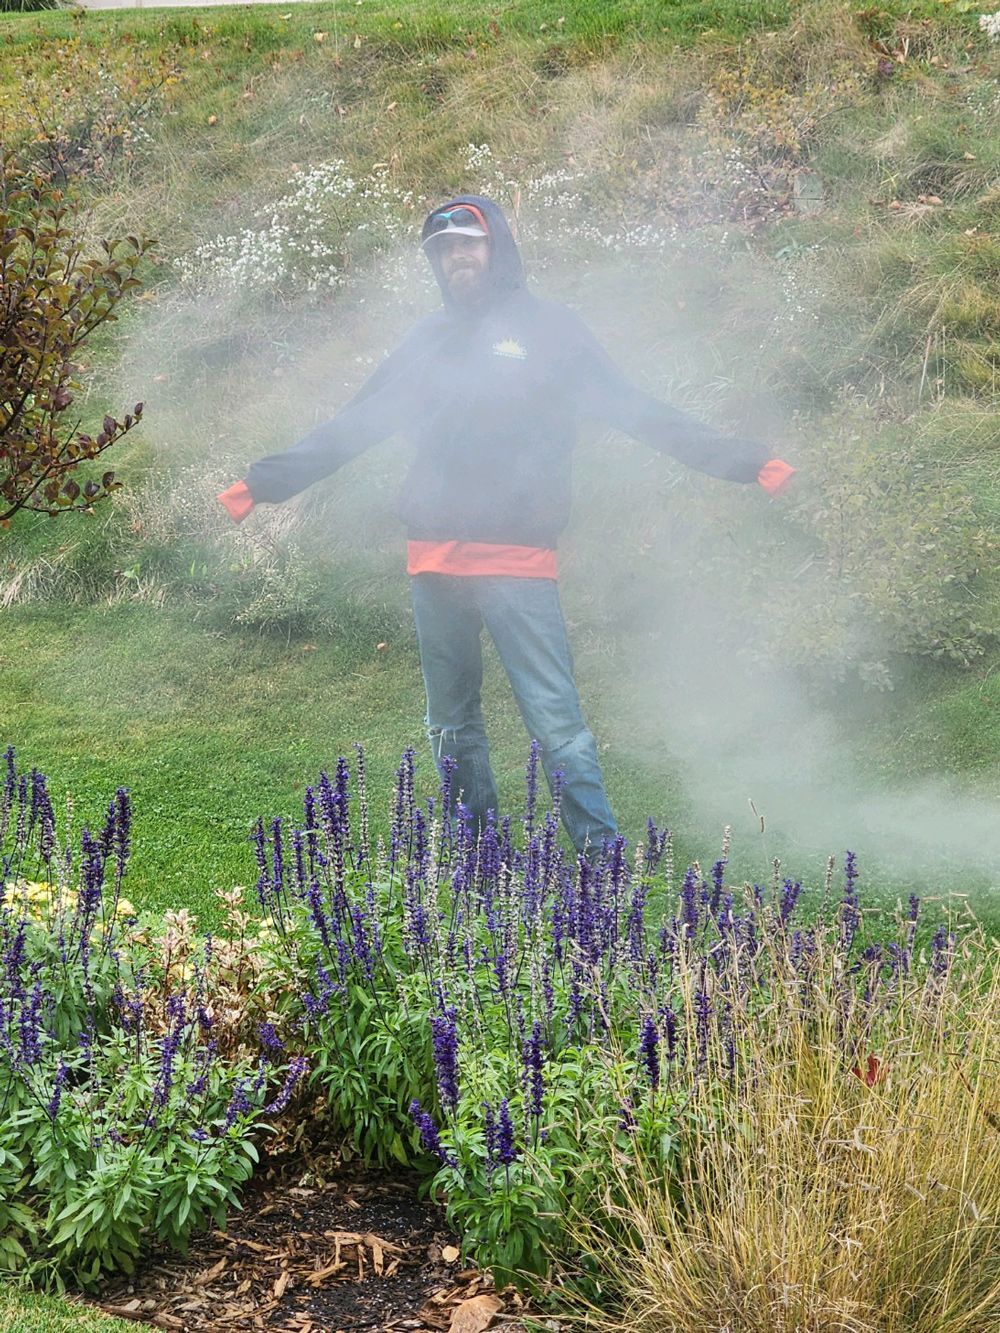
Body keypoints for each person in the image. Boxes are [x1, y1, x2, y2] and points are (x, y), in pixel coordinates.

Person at [219, 195, 794, 854]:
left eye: (468, 243)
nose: (457, 257)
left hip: (517, 563)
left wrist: (746, 461)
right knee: (450, 724)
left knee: (556, 722)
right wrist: (265, 482)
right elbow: (356, 422)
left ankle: (600, 862)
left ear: (496, 247)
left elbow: (640, 411)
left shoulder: (553, 332)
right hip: (434, 561)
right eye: (443, 250)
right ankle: (481, 854)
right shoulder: (426, 341)